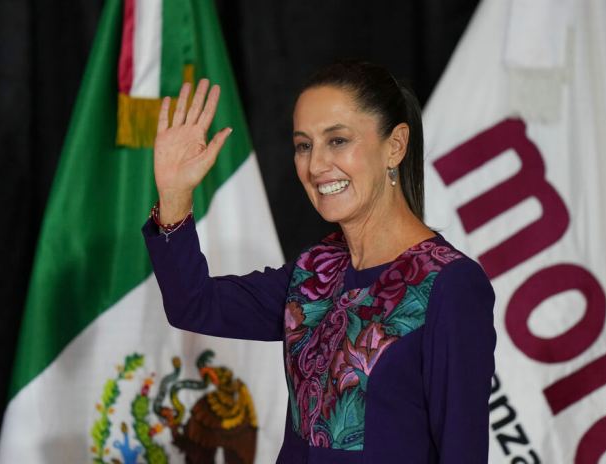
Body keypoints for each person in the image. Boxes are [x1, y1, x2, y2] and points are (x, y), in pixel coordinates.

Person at [143, 60, 496, 463]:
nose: (315, 166)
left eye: (338, 140)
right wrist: (174, 197)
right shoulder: (316, 270)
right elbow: (195, 305)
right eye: (304, 145)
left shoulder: (450, 284)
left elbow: (462, 450)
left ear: (395, 146)